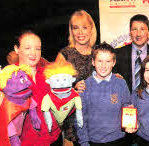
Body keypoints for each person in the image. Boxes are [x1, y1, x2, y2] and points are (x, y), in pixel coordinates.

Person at [75, 42, 132, 146]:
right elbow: (80, 117)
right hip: (94, 141)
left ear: (113, 63)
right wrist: (83, 142)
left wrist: (130, 124)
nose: (103, 65)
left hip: (120, 139)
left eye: (108, 61)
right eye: (100, 61)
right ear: (93, 62)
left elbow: (127, 105)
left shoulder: (121, 83)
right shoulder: (84, 87)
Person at [55, 9, 96, 145]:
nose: (80, 32)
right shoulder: (64, 55)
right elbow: (54, 88)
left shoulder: (99, 52)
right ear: (71, 31)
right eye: (75, 28)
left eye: (84, 27)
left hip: (97, 113)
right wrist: (73, 89)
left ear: (91, 30)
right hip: (75, 115)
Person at [13, 30, 62, 146]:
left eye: (37, 48)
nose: (33, 53)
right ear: (16, 49)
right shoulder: (9, 76)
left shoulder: (49, 73)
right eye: (27, 48)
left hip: (53, 137)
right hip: (25, 141)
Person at [115, 14, 149, 94]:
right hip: (125, 103)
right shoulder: (117, 54)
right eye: (134, 29)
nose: (138, 34)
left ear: (148, 32)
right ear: (130, 32)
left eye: (142, 29)